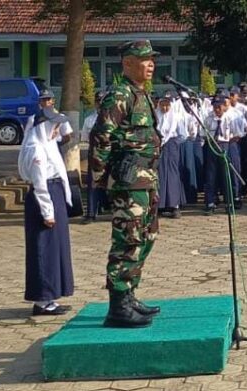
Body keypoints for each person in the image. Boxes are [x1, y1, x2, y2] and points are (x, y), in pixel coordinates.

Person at [91, 40, 162, 328]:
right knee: (127, 240)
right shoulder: (119, 95)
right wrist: (100, 180)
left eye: (152, 60)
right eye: (143, 60)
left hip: (145, 181)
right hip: (127, 183)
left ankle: (130, 293)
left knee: (147, 237)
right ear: (127, 63)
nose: (150, 65)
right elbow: (101, 138)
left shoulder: (141, 95)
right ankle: (118, 305)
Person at [19, 93, 74, 316]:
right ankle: (42, 301)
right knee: (43, 249)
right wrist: (48, 212)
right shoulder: (36, 148)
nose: (56, 132)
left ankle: (52, 295)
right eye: (53, 127)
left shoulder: (46, 143)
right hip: (45, 198)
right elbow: (40, 185)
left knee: (55, 248)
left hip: (54, 193)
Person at [202, 95, 245, 215]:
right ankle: (210, 202)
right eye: (215, 107)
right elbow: (203, 133)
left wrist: (228, 140)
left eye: (219, 107)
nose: (217, 109)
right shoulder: (208, 118)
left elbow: (238, 133)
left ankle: (229, 202)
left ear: (224, 106)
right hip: (212, 147)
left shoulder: (230, 118)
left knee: (227, 175)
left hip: (225, 145)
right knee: (211, 175)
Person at [156, 93, 186, 218]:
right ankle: (160, 205)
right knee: (160, 174)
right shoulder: (155, 116)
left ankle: (174, 205)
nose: (165, 108)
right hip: (158, 147)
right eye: (162, 105)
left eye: (167, 105)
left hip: (172, 145)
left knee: (172, 174)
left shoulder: (176, 117)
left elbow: (183, 135)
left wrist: (172, 143)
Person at [82, 91, 108, 224]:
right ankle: (91, 213)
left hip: (111, 155)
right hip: (95, 155)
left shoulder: (114, 118)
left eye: (103, 101)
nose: (100, 104)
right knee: (92, 184)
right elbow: (86, 139)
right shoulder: (89, 120)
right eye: (99, 102)